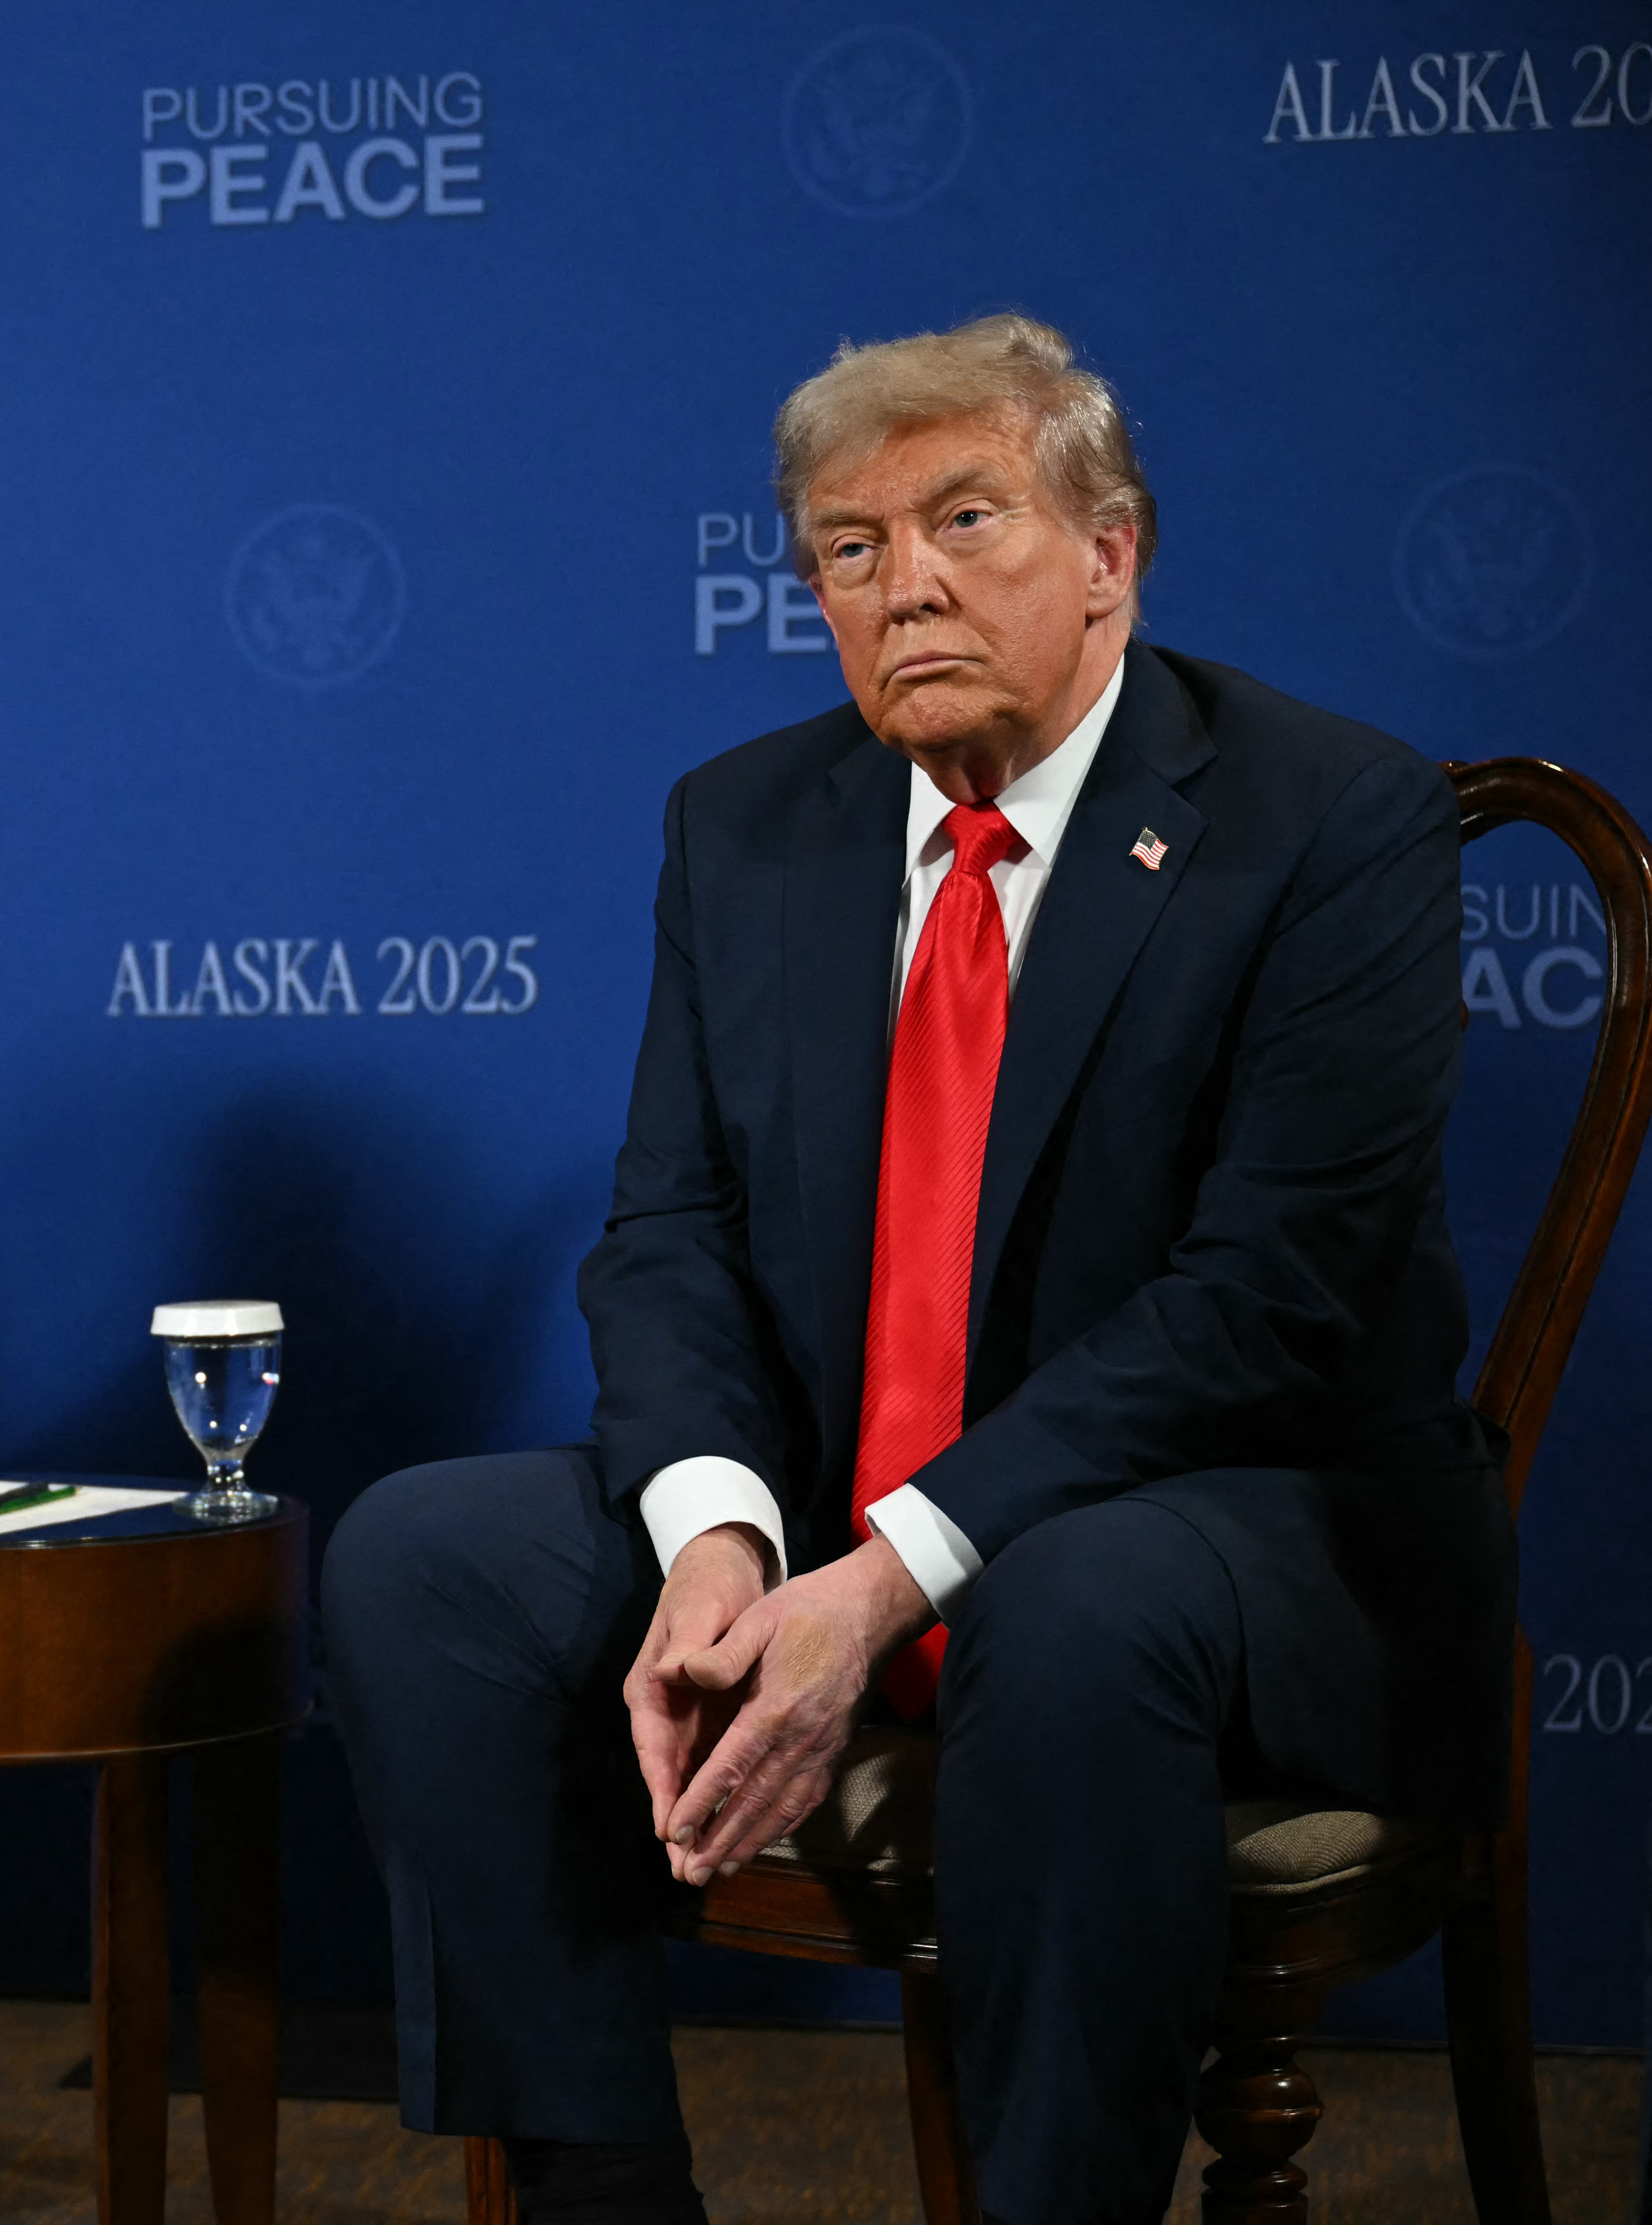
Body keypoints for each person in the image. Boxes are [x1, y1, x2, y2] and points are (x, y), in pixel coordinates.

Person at [322, 315, 1511, 2224]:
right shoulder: (747, 824)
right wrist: (720, 1541)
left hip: (1250, 1521)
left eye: (967, 519)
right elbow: (671, 1234)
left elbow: (1275, 1299)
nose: (907, 585)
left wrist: (890, 1575)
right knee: (423, 1558)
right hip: (841, 1494)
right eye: (851, 549)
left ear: (1111, 551)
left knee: (1074, 1595)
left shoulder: (1326, 817)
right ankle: (603, 2192)